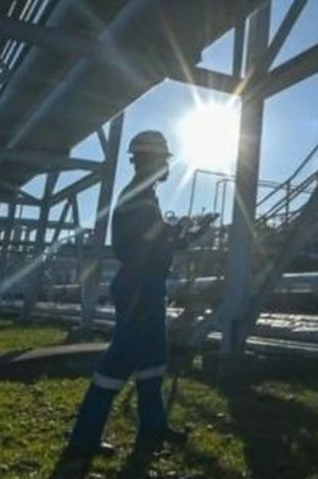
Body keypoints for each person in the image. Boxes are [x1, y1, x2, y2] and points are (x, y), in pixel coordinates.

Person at [63, 130, 205, 460]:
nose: (166, 165)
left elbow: (154, 238)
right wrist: (179, 237)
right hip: (140, 284)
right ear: (149, 160)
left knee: (154, 359)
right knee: (121, 360)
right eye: (162, 159)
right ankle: (84, 438)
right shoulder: (139, 197)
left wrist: (184, 232)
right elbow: (143, 246)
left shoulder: (144, 196)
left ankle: (153, 427)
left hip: (147, 283)